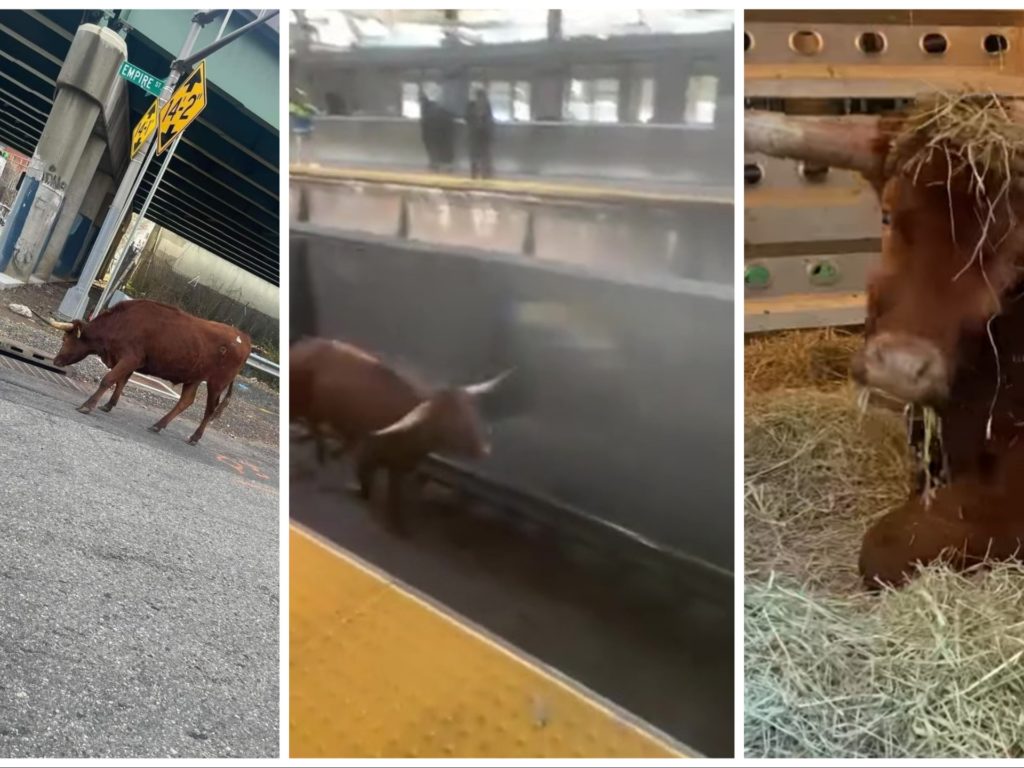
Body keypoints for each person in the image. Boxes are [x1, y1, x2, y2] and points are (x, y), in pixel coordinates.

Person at [465, 88, 495, 179]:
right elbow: (490, 120)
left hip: (476, 133)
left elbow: (466, 117)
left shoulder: (472, 106)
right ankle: (483, 173)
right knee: (483, 154)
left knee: (476, 154)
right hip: (482, 133)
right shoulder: (486, 106)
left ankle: (477, 173)